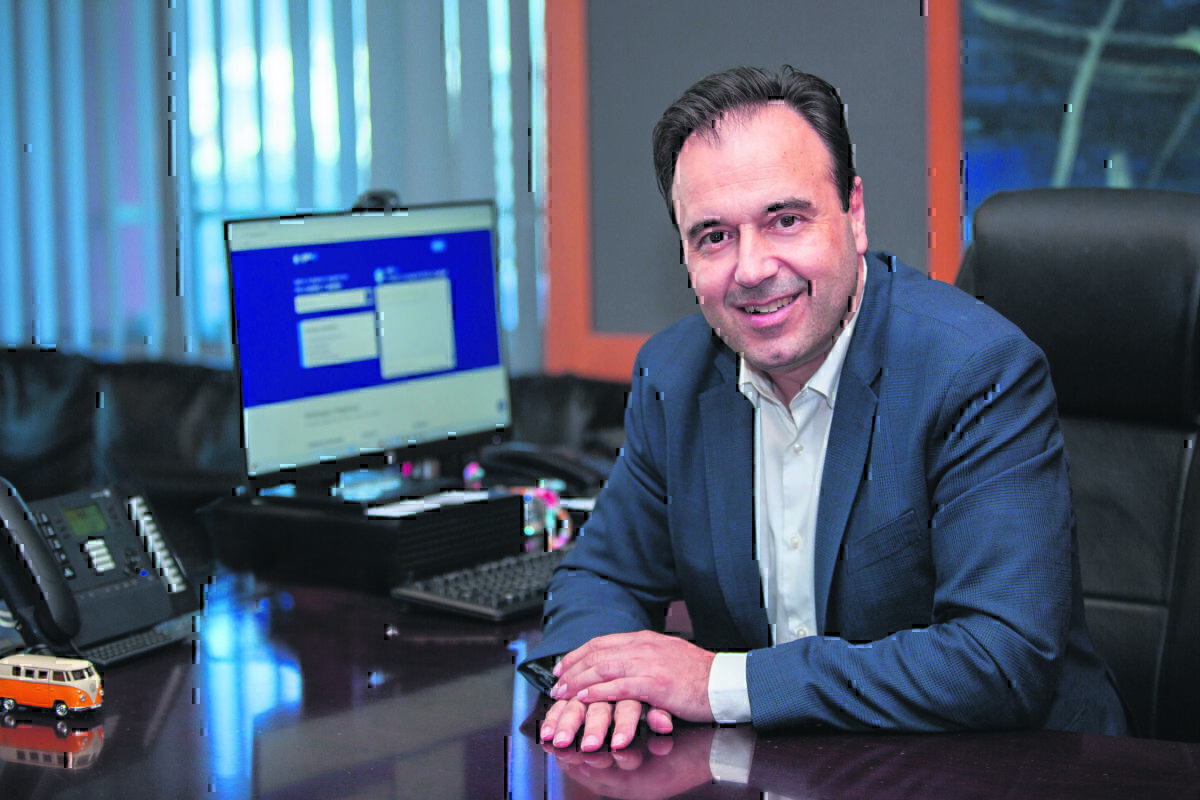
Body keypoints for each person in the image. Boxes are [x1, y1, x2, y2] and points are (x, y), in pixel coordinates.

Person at [520, 65, 1128, 751]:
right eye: (714, 236)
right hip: (787, 772)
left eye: (785, 220)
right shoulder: (674, 378)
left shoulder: (975, 372)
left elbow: (1000, 659)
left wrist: (718, 683)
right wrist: (605, 684)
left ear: (854, 214)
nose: (752, 269)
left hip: (1010, 771)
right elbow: (599, 577)